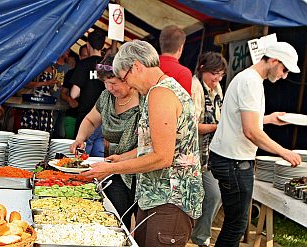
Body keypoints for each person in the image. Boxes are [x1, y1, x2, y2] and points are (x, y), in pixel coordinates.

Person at [81, 40, 204, 247]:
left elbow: (162, 157)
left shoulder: (160, 93)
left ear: (136, 66)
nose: (126, 84)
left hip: (169, 199)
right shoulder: (159, 90)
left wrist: (112, 169)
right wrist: (121, 159)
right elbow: (155, 146)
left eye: (123, 77)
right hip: (156, 198)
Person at [209, 41, 302, 247]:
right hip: (233, 161)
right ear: (274, 60)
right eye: (284, 69)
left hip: (228, 158)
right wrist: (283, 152)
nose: (284, 75)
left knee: (235, 223)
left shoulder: (248, 78)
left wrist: (268, 119)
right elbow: (250, 131)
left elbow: (240, 119)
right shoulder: (250, 82)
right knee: (236, 225)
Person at [70, 54, 141, 229]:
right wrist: (80, 138)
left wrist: (123, 159)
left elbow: (150, 145)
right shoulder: (106, 97)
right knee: (115, 218)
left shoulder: (145, 99)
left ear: (127, 78)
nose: (109, 88)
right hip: (112, 169)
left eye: (113, 83)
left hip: (140, 171)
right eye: (105, 83)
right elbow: (91, 120)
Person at [190, 52, 227, 247]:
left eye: (221, 75)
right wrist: (218, 127)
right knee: (212, 194)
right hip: (193, 153)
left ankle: (199, 235)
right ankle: (200, 236)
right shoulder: (194, 87)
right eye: (215, 74)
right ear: (203, 69)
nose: (218, 79)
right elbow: (192, 125)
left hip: (211, 153)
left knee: (216, 194)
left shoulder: (217, 88)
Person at [70, 30, 106, 157]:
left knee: (81, 159)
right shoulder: (107, 65)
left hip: (86, 118)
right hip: (104, 119)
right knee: (98, 160)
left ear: (88, 45)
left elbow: (74, 94)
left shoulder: (83, 64)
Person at [60, 45, 89, 138]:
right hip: (72, 115)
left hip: (89, 118)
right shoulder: (71, 73)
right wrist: (69, 99)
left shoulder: (96, 73)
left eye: (89, 55)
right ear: (80, 57)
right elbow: (62, 93)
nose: (87, 58)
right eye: (84, 56)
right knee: (69, 143)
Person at [159, 25, 192, 95]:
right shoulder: (183, 73)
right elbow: (185, 104)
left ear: (161, 44)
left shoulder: (147, 64)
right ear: (180, 48)